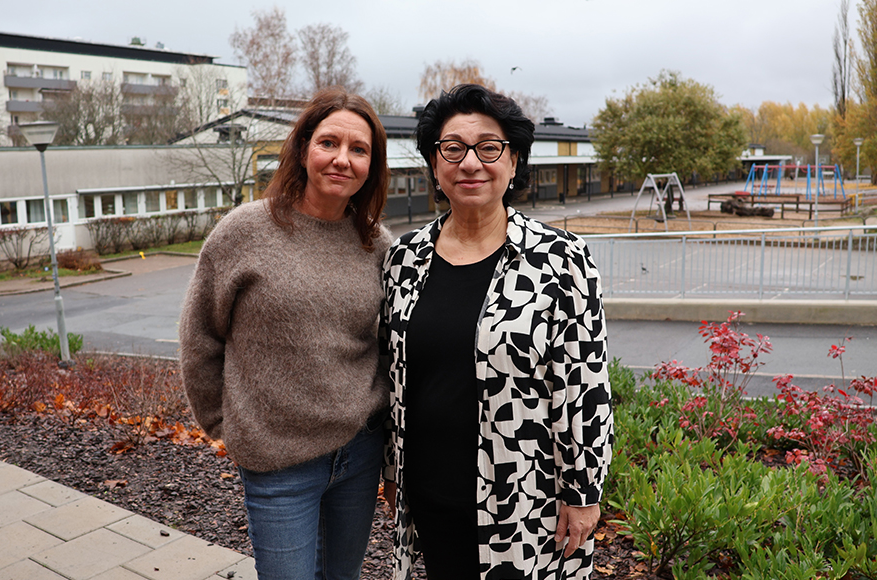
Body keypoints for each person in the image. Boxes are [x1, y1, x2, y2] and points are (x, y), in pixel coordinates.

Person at [381, 84, 614, 580]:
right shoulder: (404, 259)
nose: (470, 163)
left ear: (513, 161)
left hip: (525, 497)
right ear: (434, 163)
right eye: (453, 148)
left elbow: (584, 386)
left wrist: (584, 492)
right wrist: (392, 471)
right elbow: (393, 378)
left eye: (489, 148)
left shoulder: (560, 260)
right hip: (429, 491)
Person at [179, 87, 392, 580]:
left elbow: (387, 348)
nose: (342, 159)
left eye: (359, 149)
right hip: (277, 464)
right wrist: (227, 426)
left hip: (359, 454)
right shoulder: (244, 232)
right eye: (328, 143)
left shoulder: (379, 245)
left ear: (372, 165)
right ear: (302, 149)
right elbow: (200, 336)